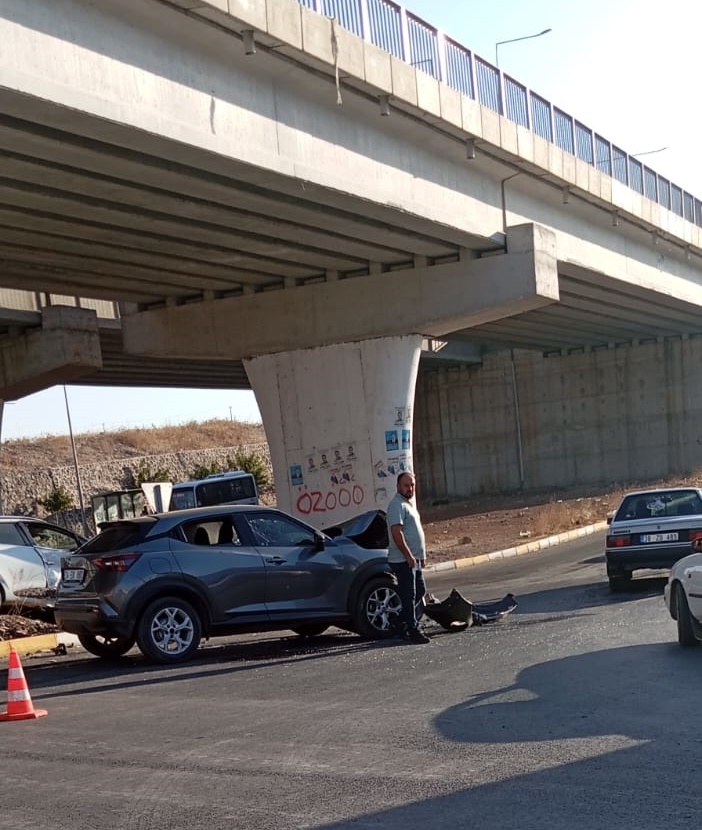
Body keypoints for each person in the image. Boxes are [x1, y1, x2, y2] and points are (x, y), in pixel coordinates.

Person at [386, 472, 430, 644]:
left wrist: (421, 556)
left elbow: (416, 532)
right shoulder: (396, 505)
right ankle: (413, 630)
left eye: (412, 485)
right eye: (406, 485)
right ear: (398, 486)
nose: (410, 488)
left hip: (414, 560)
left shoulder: (409, 505)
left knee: (419, 590)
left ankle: (399, 622)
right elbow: (396, 532)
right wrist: (408, 556)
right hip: (403, 560)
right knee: (409, 594)